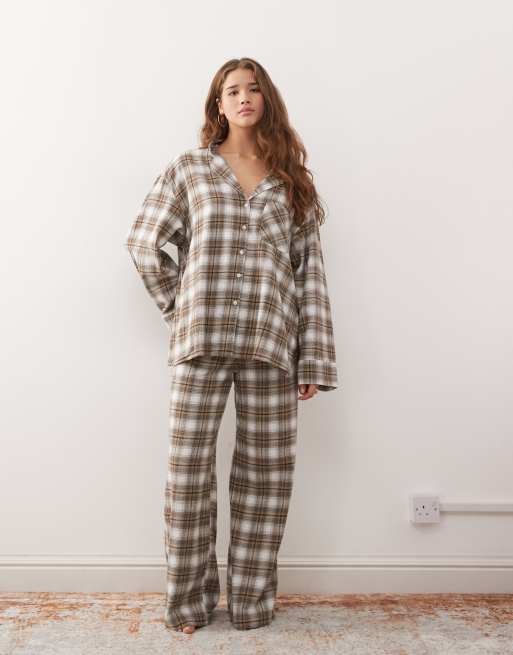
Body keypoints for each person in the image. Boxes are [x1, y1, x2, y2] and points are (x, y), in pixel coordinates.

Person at [125, 57, 339, 635]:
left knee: (266, 479)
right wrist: (181, 308)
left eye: (253, 89)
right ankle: (189, 604)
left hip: (272, 342)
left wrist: (313, 358)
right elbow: (144, 243)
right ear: (218, 105)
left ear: (266, 99)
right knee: (188, 475)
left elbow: (308, 274)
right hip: (201, 342)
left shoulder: (290, 179)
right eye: (232, 91)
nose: (244, 97)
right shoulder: (191, 169)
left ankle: (250, 603)